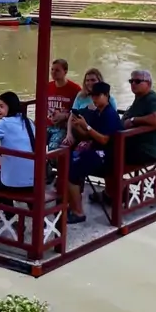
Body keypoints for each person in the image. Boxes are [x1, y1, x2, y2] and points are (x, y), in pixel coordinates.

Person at [65, 81, 123, 224]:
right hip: (97, 151)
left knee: (72, 171)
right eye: (93, 97)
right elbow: (89, 135)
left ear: (106, 96)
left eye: (98, 96)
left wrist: (87, 127)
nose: (95, 100)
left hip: (108, 155)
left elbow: (104, 140)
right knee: (69, 161)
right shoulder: (98, 112)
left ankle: (78, 212)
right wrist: (78, 126)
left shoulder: (109, 114)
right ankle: (71, 204)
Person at [0, 91, 36, 205]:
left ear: (11, 107)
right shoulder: (28, 121)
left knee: (0, 178)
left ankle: (9, 216)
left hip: (13, 185)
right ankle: (37, 221)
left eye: (1, 106)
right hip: (35, 182)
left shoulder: (5, 123)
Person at [62, 68, 117, 146]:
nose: (90, 83)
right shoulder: (81, 96)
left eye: (93, 80)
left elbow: (109, 124)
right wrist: (69, 134)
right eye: (87, 80)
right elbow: (72, 115)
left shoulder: (110, 101)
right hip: (80, 132)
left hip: (97, 135)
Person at [122, 69, 156, 166]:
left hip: (147, 150)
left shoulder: (152, 99)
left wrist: (134, 120)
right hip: (136, 146)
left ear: (148, 83)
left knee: (108, 156)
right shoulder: (139, 97)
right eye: (131, 81)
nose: (133, 84)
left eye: (137, 81)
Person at [46, 58, 81, 150]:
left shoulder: (75, 89)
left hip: (64, 127)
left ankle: (51, 164)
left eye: (57, 70)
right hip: (47, 124)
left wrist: (64, 116)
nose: (53, 72)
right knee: (30, 141)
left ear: (65, 72)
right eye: (52, 69)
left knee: (53, 148)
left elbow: (79, 112)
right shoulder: (47, 86)